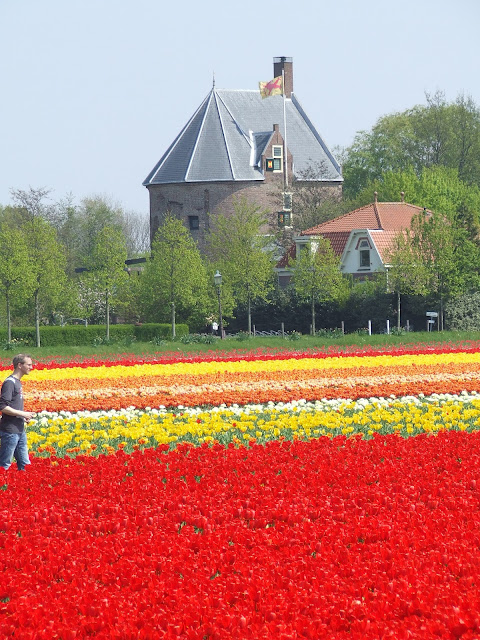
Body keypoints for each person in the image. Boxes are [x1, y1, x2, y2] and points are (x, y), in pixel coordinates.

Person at [0, 354, 36, 471]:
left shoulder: (17, 382)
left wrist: (24, 416)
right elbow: (3, 406)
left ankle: (26, 488)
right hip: (10, 430)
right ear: (19, 365)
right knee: (5, 464)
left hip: (19, 429)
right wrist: (22, 414)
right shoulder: (10, 383)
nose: (31, 367)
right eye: (29, 365)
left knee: (25, 464)